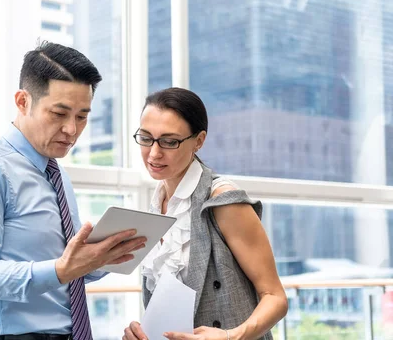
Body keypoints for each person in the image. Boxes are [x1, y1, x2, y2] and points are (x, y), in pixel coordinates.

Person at [0, 41, 146, 340]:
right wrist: (59, 270)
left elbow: (67, 269)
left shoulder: (56, 173)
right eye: (59, 113)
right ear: (22, 101)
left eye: (82, 116)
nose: (72, 129)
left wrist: (101, 257)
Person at [123, 88, 288, 340]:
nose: (154, 153)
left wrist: (230, 336)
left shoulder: (222, 200)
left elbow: (275, 297)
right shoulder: (156, 205)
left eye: (169, 141)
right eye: (146, 138)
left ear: (199, 141)